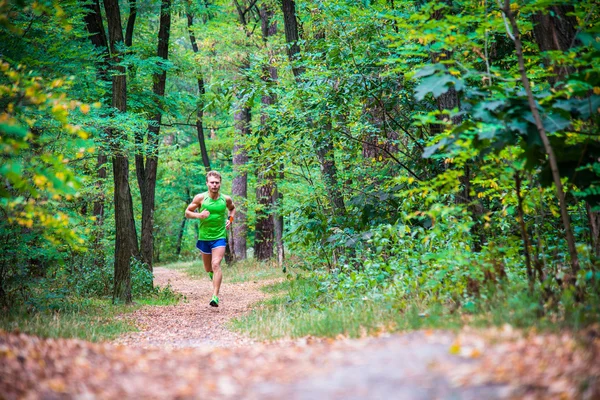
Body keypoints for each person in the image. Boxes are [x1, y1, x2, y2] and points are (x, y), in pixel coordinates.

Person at [185, 171, 235, 307]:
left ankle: (215, 296)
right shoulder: (200, 198)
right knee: (208, 268)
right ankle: (215, 279)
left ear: (220, 184)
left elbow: (232, 209)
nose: (214, 185)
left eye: (217, 182)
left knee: (216, 264)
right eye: (212, 182)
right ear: (207, 183)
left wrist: (230, 219)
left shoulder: (226, 199)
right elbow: (187, 212)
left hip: (219, 237)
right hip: (204, 237)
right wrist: (199, 215)